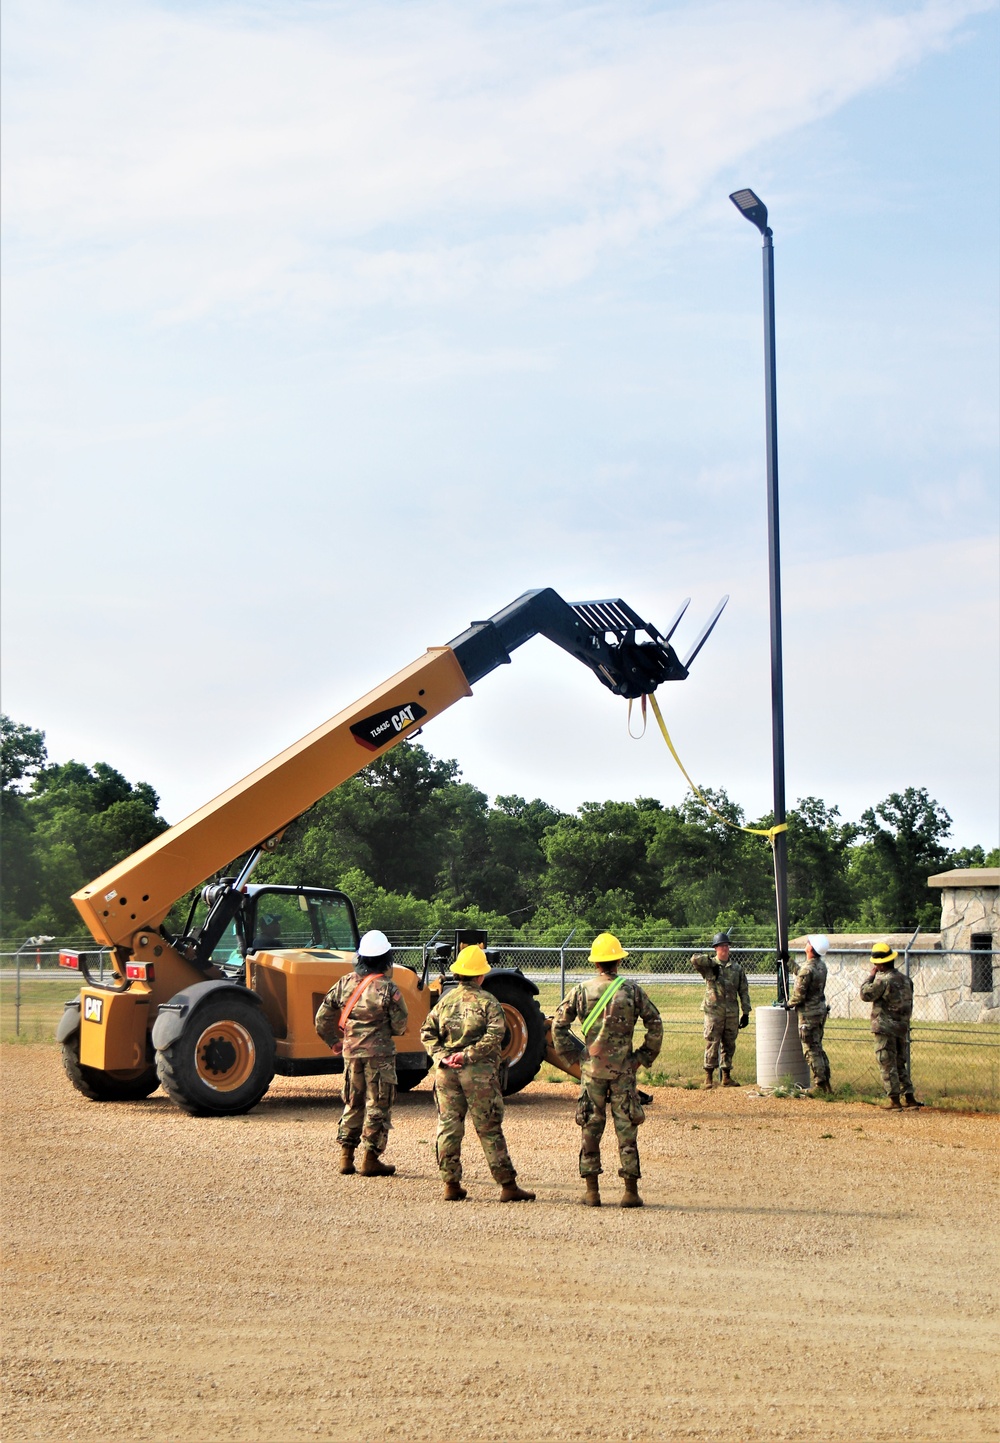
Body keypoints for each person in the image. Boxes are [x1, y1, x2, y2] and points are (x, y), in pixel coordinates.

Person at [551, 932, 663, 1209]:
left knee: (590, 1127)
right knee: (626, 1129)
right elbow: (655, 1023)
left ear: (596, 963)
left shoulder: (581, 990)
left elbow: (557, 1026)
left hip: (591, 1072)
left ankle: (592, 1192)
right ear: (618, 961)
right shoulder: (632, 991)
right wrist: (642, 1057)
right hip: (624, 1072)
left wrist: (573, 1058)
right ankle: (630, 1192)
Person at [419, 944, 535, 1204]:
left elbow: (426, 1032)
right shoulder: (488, 1002)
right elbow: (496, 1036)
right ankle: (507, 1186)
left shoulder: (445, 1000)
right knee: (489, 1128)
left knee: (448, 1127)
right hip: (479, 1074)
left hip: (446, 1073)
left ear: (459, 973)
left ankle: (451, 1185)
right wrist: (468, 1055)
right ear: (481, 975)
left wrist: (441, 1056)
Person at [314, 929, 408, 1176]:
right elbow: (400, 1026)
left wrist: (333, 1041)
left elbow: (322, 1018)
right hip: (381, 1058)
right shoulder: (389, 988)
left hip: (351, 1053)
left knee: (353, 1102)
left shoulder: (345, 983)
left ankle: (346, 1157)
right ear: (386, 958)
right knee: (378, 1104)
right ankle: (370, 1159)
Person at [859, 942, 923, 1110]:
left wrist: (870, 977)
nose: (874, 965)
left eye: (875, 963)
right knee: (900, 1063)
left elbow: (865, 994)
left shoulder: (883, 981)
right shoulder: (906, 980)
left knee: (887, 1063)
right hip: (901, 1027)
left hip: (885, 1027)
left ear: (881, 964)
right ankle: (909, 1097)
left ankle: (894, 1101)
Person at [690, 932, 751, 1088]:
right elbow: (694, 959)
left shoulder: (736, 969)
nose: (724, 949)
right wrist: (711, 963)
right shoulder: (710, 968)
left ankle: (726, 1076)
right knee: (712, 1042)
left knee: (729, 1044)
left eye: (726, 946)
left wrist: (746, 1012)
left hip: (731, 1012)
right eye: (721, 946)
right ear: (716, 948)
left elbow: (743, 990)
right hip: (714, 1011)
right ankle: (708, 1076)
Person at [787, 933, 833, 1095]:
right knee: (818, 1047)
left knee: (811, 1049)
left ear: (811, 949)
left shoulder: (807, 969)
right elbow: (804, 975)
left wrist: (788, 1004)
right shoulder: (821, 966)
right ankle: (826, 1083)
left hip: (808, 1014)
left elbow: (799, 994)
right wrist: (790, 963)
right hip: (819, 1011)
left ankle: (820, 1084)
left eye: (807, 943)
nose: (805, 944)